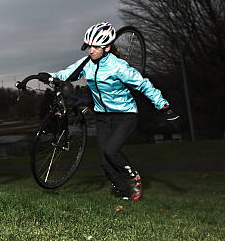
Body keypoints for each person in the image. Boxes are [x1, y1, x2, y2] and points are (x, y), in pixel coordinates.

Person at [38, 21, 178, 200]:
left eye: (96, 47)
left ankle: (132, 176)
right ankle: (124, 192)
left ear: (107, 47)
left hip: (125, 115)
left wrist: (162, 104)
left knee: (111, 151)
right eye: (89, 46)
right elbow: (68, 73)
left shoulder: (118, 66)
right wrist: (51, 76)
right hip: (103, 116)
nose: (91, 50)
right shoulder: (87, 63)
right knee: (104, 161)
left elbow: (143, 84)